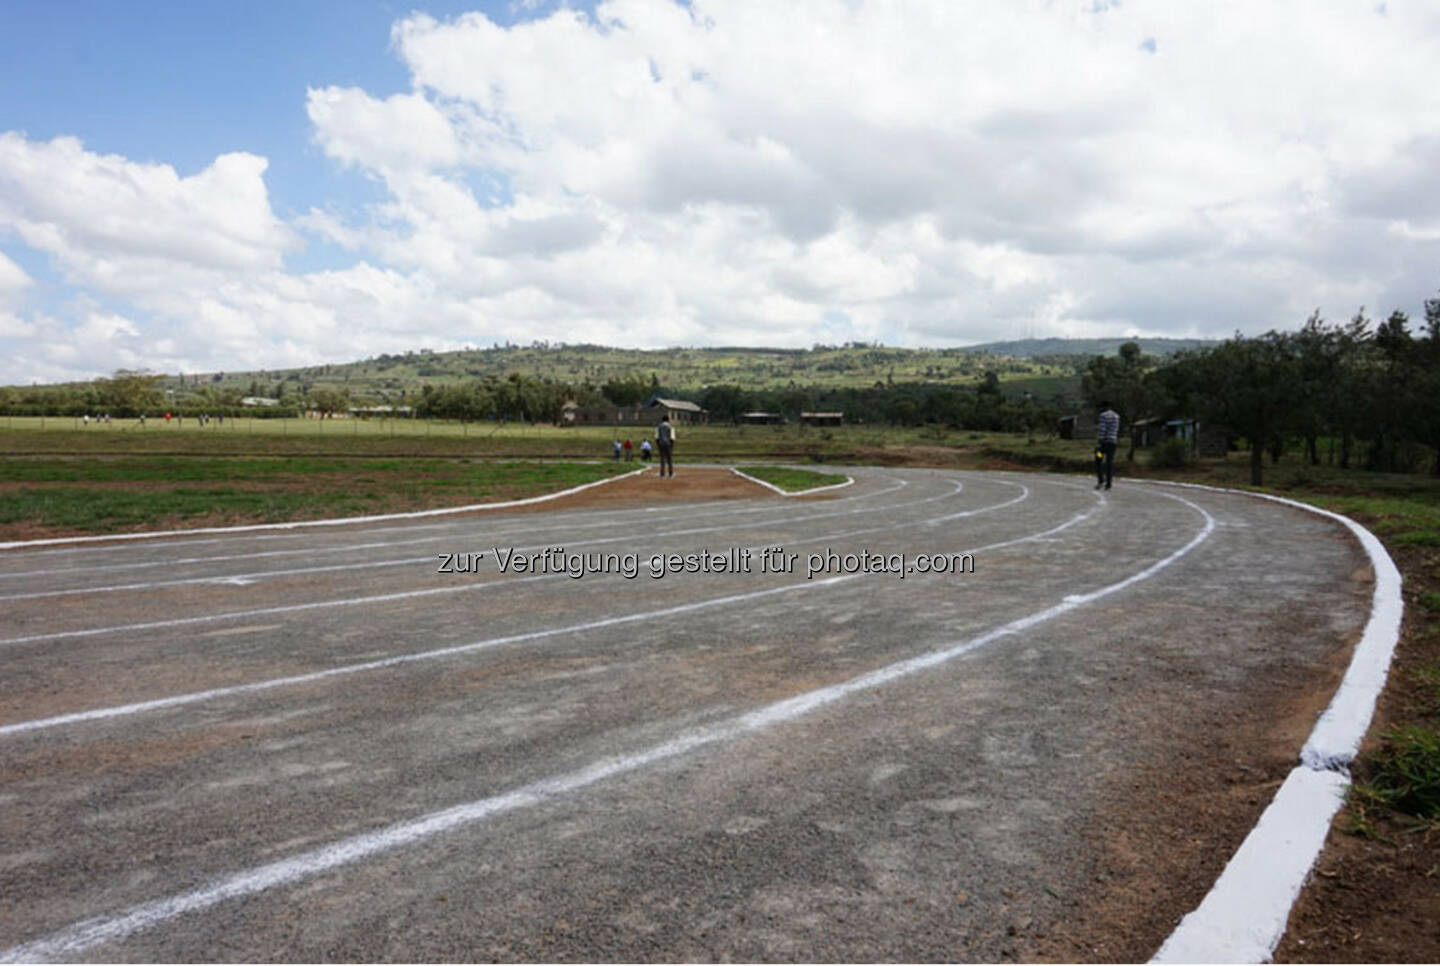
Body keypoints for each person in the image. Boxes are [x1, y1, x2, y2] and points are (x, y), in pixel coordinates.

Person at [1096, 400, 1119, 490]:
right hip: (1112, 443)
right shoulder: (1116, 416)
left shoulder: (1103, 416)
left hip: (1103, 444)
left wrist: (1099, 442)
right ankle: (1109, 483)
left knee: (1098, 459)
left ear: (1104, 407)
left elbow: (1102, 429)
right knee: (1109, 462)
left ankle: (1101, 480)